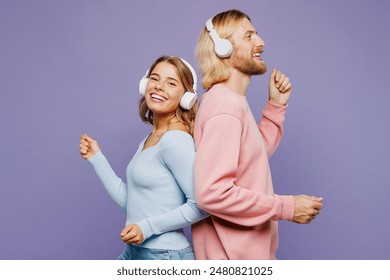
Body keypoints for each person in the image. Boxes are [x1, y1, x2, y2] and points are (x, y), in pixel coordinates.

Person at [192, 9, 323, 260]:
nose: (261, 42)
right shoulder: (226, 108)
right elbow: (211, 193)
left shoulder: (232, 102)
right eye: (249, 36)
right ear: (222, 48)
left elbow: (252, 156)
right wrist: (287, 207)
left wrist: (275, 108)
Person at [79, 55, 208, 260]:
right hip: (137, 251)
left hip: (164, 256)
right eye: (154, 79)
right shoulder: (152, 138)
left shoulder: (175, 141)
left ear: (186, 97)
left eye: (171, 83)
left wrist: (147, 228)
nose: (159, 87)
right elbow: (134, 202)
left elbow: (201, 205)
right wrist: (97, 159)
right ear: (144, 84)